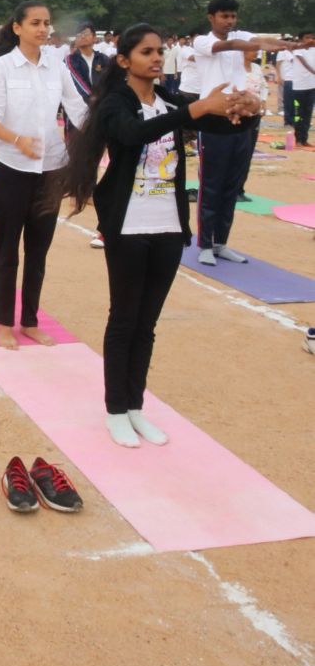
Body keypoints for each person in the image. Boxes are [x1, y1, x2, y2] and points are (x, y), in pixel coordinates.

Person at [60, 24, 258, 448]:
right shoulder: (116, 102)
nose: (156, 57)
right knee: (124, 319)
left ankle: (135, 407)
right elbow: (132, 134)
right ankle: (115, 409)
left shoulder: (168, 98)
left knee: (147, 324)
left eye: (159, 51)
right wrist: (198, 109)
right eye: (147, 51)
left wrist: (246, 109)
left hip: (168, 227)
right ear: (124, 60)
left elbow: (221, 124)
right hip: (129, 227)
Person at [0, 1, 89, 351]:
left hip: (50, 169)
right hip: (13, 167)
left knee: (39, 251)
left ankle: (30, 321)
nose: (42, 29)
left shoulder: (56, 66)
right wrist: (17, 140)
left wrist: (104, 130)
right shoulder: (2, 68)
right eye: (35, 23)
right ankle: (3, 322)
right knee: (7, 249)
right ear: (17, 27)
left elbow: (79, 110)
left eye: (46, 23)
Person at [190, 0, 300, 266]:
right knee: (211, 185)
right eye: (224, 16)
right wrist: (261, 44)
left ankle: (221, 242)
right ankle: (204, 244)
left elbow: (259, 39)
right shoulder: (202, 41)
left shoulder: (242, 36)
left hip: (242, 116)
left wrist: (287, 45)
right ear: (211, 17)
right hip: (213, 118)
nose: (230, 21)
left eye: (233, 16)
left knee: (232, 185)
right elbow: (230, 45)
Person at [288, 31, 315, 148]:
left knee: (308, 114)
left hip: (311, 86)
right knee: (298, 114)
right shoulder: (298, 50)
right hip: (299, 87)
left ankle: (304, 139)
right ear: (300, 40)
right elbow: (305, 64)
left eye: (312, 38)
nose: (310, 40)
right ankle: (298, 139)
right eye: (307, 38)